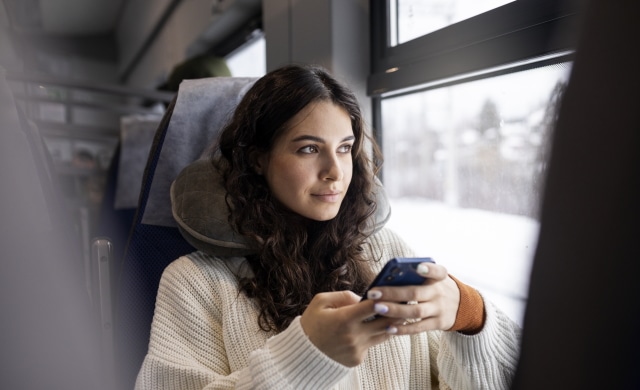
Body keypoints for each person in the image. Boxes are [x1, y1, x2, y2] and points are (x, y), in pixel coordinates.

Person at [135, 64, 521, 389]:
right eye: (308, 149)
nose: (336, 172)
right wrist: (305, 359)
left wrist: (469, 315)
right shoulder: (193, 281)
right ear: (257, 159)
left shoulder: (386, 248)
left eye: (344, 148)